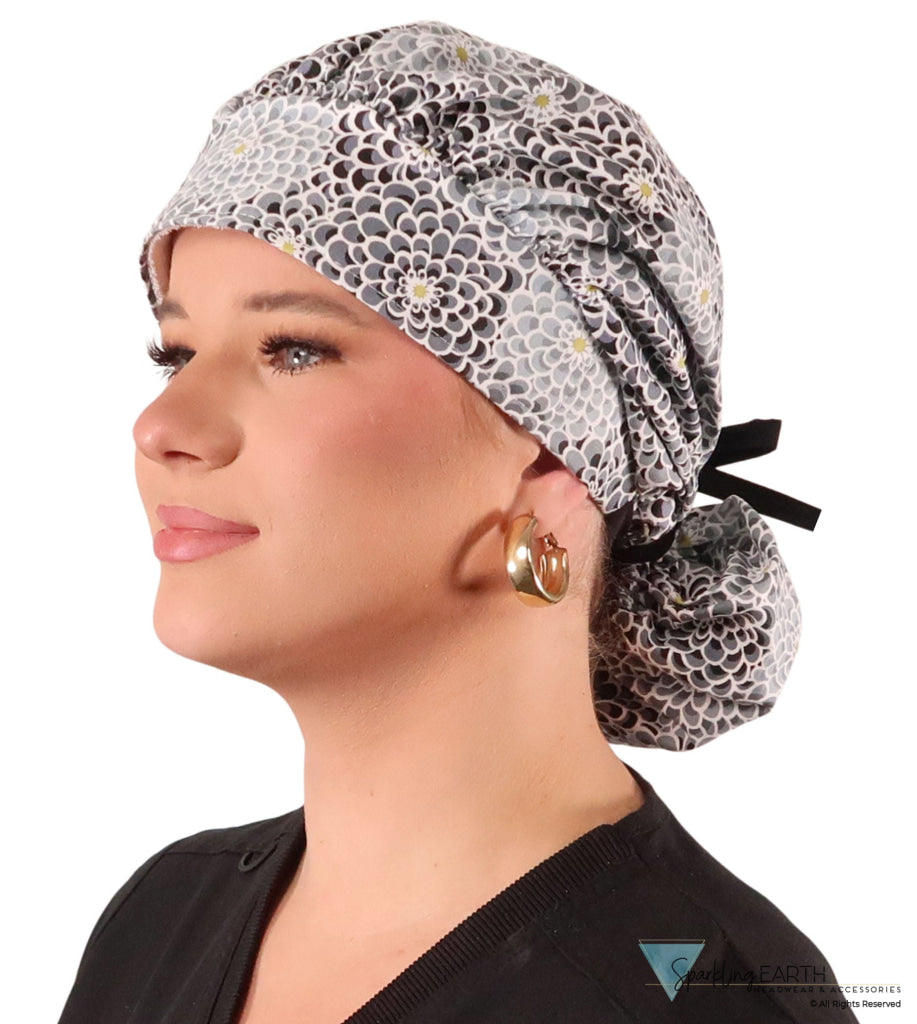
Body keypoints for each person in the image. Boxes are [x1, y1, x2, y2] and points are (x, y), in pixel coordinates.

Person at [57, 20, 858, 1024]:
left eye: (294, 349)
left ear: (550, 457)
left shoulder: (700, 999)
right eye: (175, 355)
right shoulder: (162, 917)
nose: (162, 426)